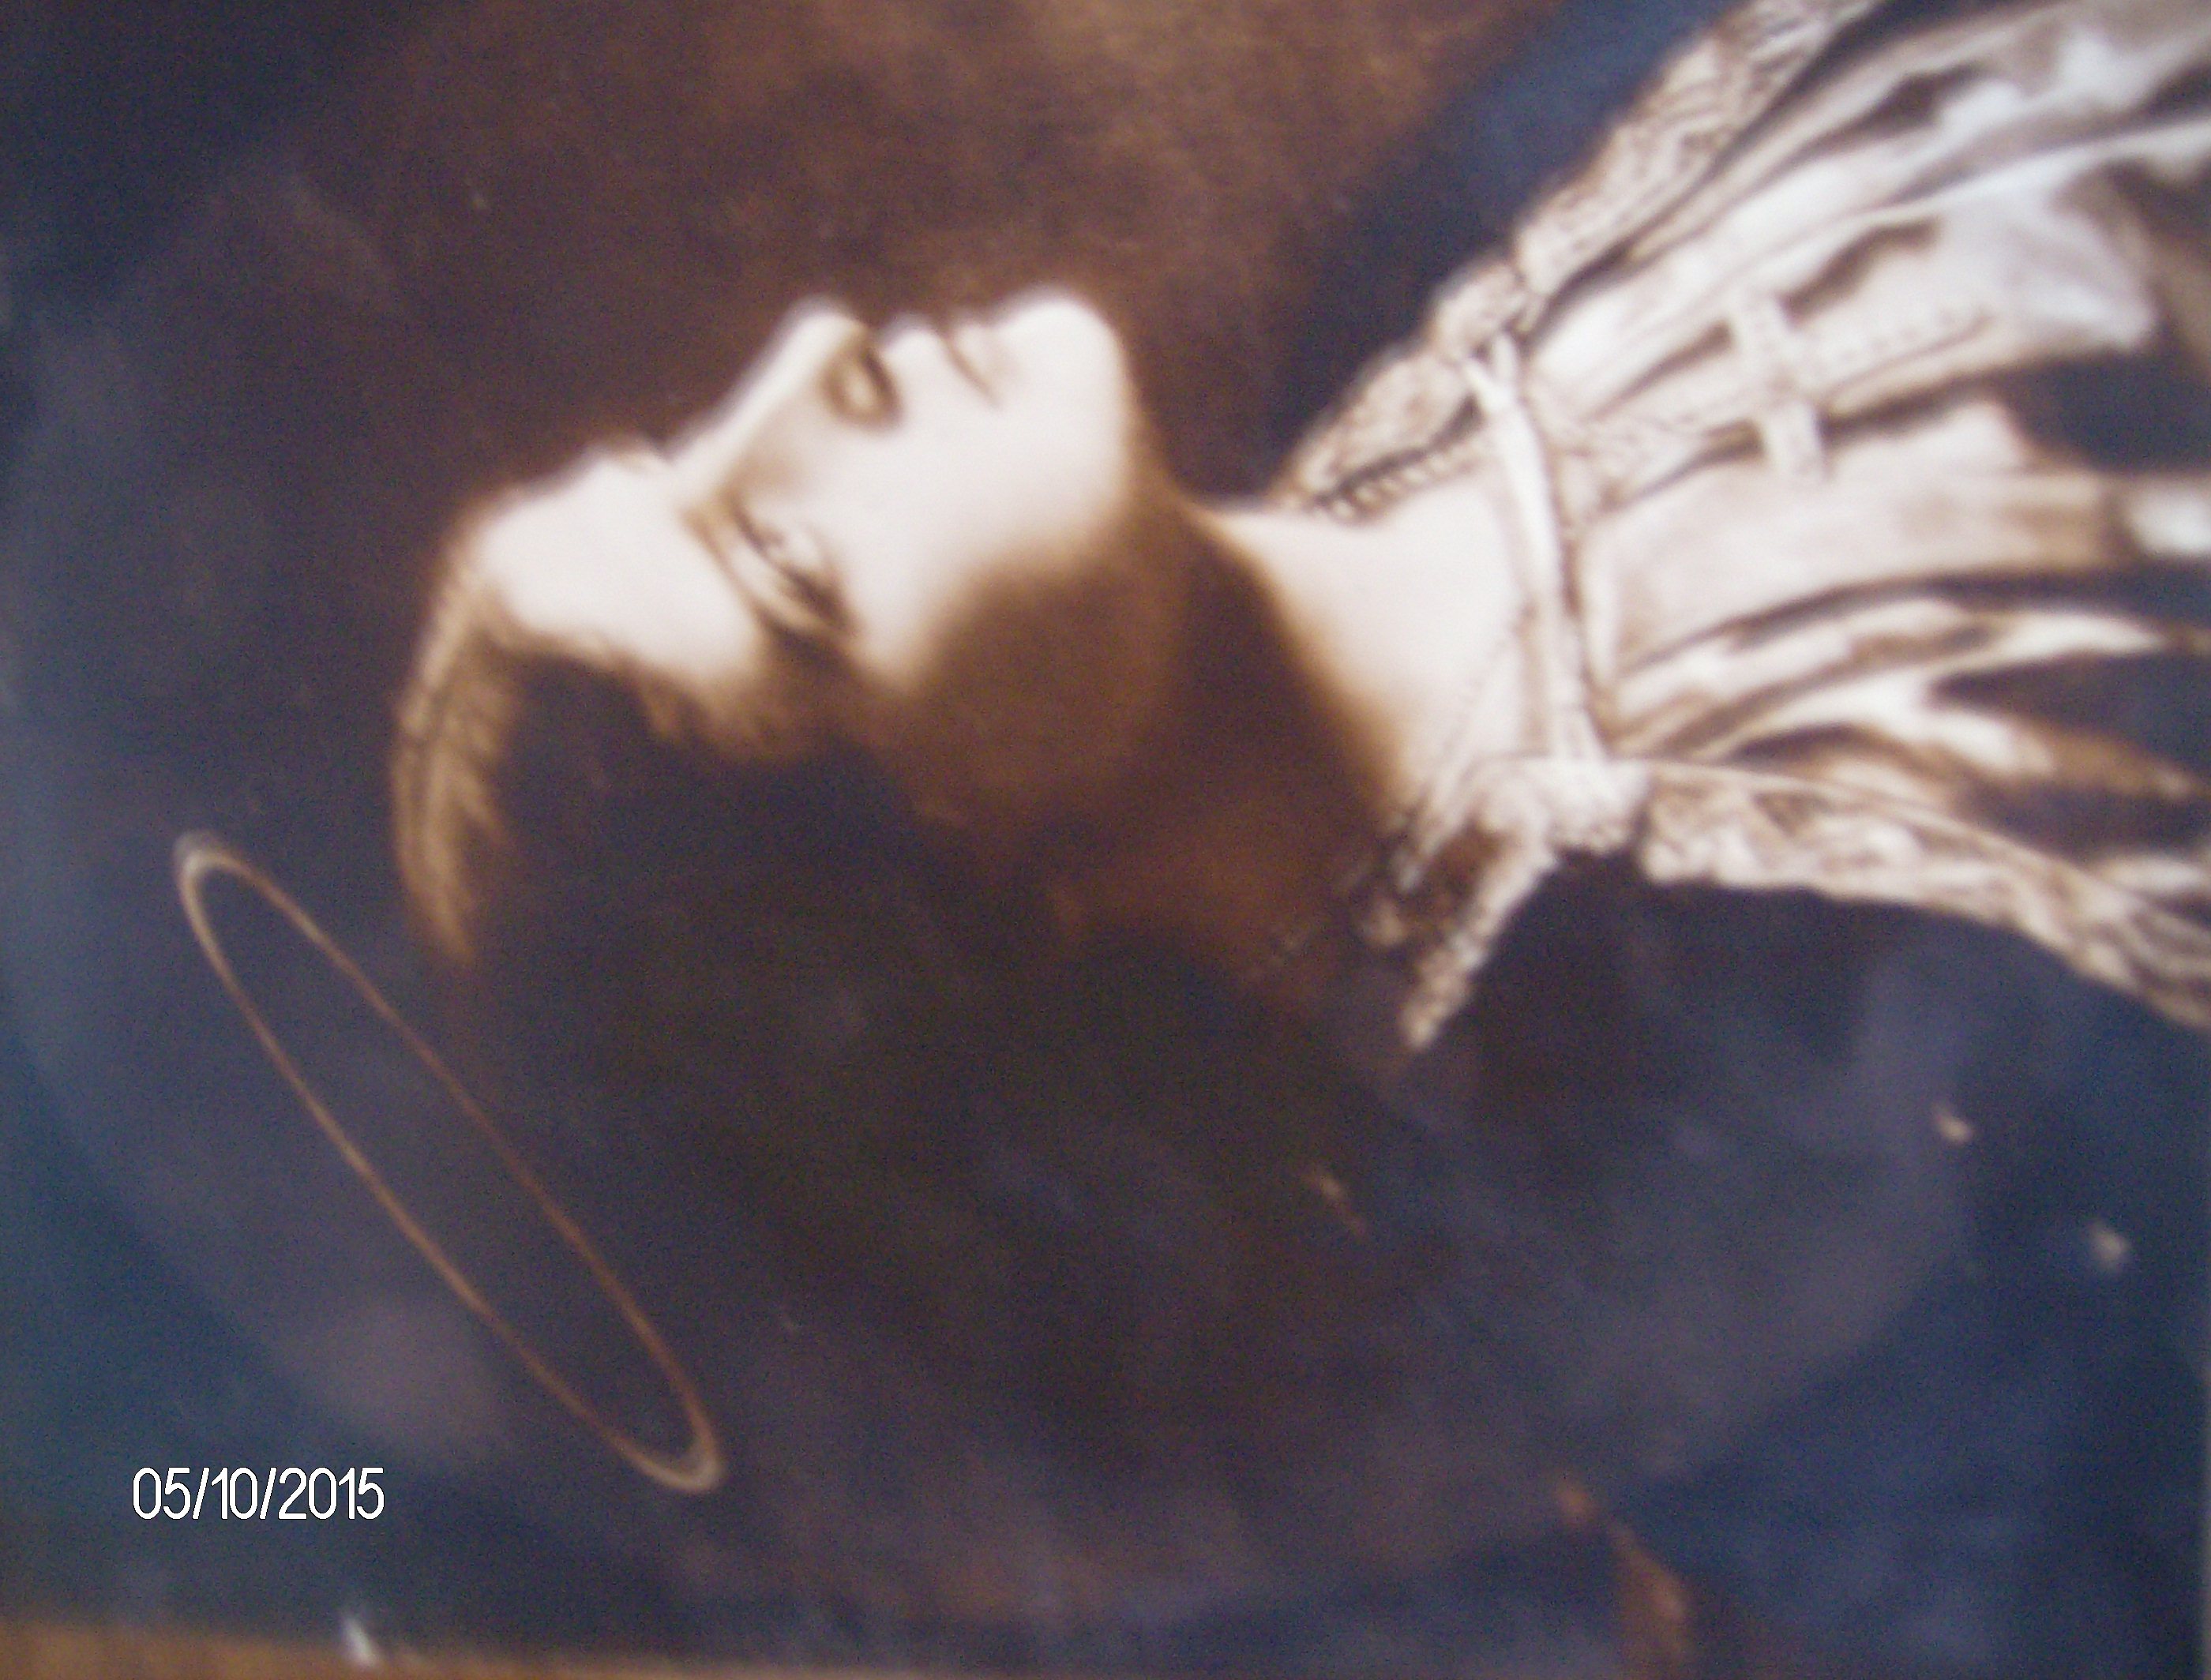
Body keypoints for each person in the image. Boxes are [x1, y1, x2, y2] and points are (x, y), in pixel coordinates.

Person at [384, 0, 2211, 1658]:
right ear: (974, 909)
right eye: (785, 559)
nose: (813, 355)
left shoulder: (1466, 212)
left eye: (682, 435)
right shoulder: (1697, 1170)